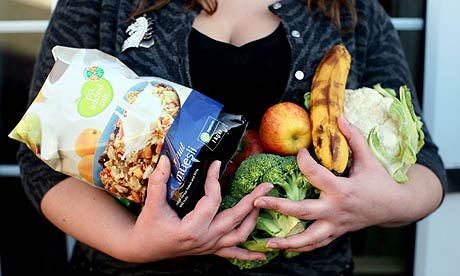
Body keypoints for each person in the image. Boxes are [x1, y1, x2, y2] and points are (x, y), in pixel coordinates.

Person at [17, 0, 447, 275]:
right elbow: (42, 165)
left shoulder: (351, 10)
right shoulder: (102, 4)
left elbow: (427, 167)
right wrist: (134, 244)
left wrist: (376, 204)